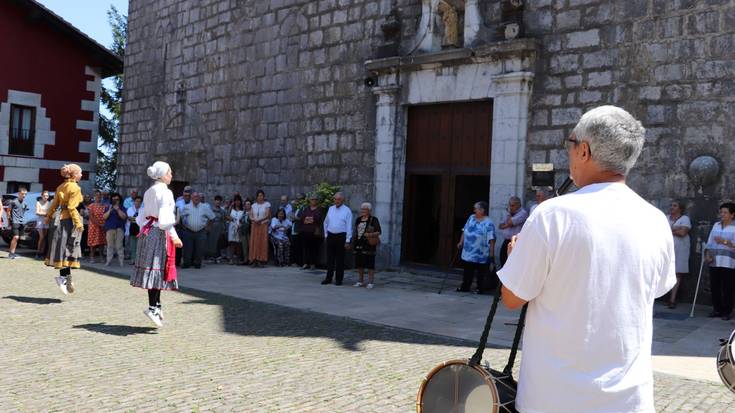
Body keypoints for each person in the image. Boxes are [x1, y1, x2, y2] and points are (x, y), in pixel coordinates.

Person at [497, 106, 676, 413]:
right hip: (628, 400)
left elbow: (512, 298)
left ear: (584, 150)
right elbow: (658, 289)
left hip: (554, 399)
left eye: (570, 144)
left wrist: (515, 257)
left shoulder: (552, 215)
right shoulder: (656, 219)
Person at [131, 161, 183, 327]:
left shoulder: (149, 191)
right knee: (157, 269)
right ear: (162, 174)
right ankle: (153, 307)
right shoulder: (165, 192)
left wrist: (148, 227)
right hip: (159, 233)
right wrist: (174, 236)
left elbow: (141, 216)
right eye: (169, 172)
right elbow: (166, 219)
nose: (171, 175)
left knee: (155, 270)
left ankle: (157, 305)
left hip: (148, 232)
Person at [44, 164, 84, 295]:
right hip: (68, 221)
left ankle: (65, 278)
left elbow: (54, 204)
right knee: (68, 248)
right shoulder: (75, 188)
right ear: (74, 175)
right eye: (80, 173)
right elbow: (72, 208)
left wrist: (48, 217)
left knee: (62, 249)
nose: (81, 175)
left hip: (57, 220)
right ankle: (63, 278)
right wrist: (78, 223)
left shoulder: (60, 186)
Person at [456, 201, 495, 294]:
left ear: (482, 210)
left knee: (480, 272)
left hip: (481, 252)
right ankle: (465, 287)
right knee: (467, 271)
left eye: (475, 208)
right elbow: (464, 230)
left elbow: (492, 238)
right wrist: (461, 241)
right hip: (468, 251)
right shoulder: (471, 218)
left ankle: (479, 288)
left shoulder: (488, 222)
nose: (474, 210)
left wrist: (491, 253)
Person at [705, 202, 735, 320]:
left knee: (728, 287)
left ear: (732, 215)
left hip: (729, 262)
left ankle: (727, 311)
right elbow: (709, 242)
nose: (722, 214)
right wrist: (707, 254)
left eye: (725, 212)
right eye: (721, 212)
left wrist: (725, 242)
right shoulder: (716, 225)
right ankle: (717, 309)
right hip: (715, 260)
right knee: (715, 286)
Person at [322, 192, 352, 286]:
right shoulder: (330, 209)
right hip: (331, 236)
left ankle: (339, 279)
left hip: (341, 236)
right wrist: (326, 235)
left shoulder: (347, 210)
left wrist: (348, 240)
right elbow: (325, 222)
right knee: (330, 258)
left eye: (339, 199)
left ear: (342, 200)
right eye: (335, 199)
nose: (337, 201)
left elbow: (349, 226)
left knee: (340, 259)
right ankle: (328, 278)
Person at [179, 192, 215, 269]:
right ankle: (186, 263)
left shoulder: (204, 207)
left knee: (200, 248)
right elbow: (181, 217)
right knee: (187, 248)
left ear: (200, 198)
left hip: (201, 231)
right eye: (194, 197)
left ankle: (197, 263)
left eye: (198, 197)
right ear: (191, 198)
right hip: (188, 231)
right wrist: (183, 226)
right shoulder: (186, 207)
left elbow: (212, 217)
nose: (196, 198)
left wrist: (208, 227)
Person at [667, 200, 691, 309]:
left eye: (675, 205)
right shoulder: (666, 218)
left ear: (680, 209)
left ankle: (672, 299)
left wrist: (669, 230)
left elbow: (683, 233)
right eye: (671, 205)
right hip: (667, 248)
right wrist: (676, 229)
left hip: (680, 249)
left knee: (677, 273)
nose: (672, 207)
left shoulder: (684, 219)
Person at [352, 202, 381, 289]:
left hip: (369, 245)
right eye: (362, 209)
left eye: (365, 209)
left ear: (369, 210)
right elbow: (356, 231)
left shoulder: (374, 219)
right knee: (359, 263)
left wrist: (370, 235)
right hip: (359, 243)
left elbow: (379, 231)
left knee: (370, 264)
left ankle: (371, 282)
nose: (363, 210)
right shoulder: (358, 219)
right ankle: (360, 281)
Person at [498, 196, 528, 267]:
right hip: (506, 241)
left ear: (518, 205)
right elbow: (500, 226)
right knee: (503, 261)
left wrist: (507, 224)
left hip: (516, 242)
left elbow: (509, 223)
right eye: (509, 205)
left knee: (512, 264)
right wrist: (507, 223)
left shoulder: (523, 213)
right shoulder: (509, 213)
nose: (510, 207)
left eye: (512, 205)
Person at [103, 193, 127, 267]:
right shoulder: (108, 207)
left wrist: (118, 209)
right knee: (110, 246)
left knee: (119, 246)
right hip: (110, 229)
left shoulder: (122, 207)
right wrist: (110, 210)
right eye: (114, 199)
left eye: (117, 199)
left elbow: (124, 217)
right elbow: (104, 217)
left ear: (120, 200)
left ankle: (121, 262)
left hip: (120, 229)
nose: (115, 201)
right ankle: (108, 261)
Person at [300, 193, 323, 270]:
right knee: (305, 248)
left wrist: (308, 219)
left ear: (317, 201)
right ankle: (305, 263)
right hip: (305, 231)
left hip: (313, 232)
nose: (314, 201)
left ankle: (313, 264)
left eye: (315, 199)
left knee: (313, 248)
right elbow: (302, 218)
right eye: (312, 199)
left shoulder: (319, 209)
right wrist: (309, 219)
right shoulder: (306, 209)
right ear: (310, 200)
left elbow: (317, 218)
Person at [248, 190, 271, 267]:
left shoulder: (267, 204)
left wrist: (259, 220)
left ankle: (261, 260)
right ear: (256, 197)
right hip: (255, 225)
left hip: (263, 225)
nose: (260, 197)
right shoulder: (253, 205)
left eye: (261, 195)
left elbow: (267, 215)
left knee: (262, 242)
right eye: (259, 195)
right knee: (254, 242)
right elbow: (250, 215)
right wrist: (253, 219)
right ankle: (254, 259)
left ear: (264, 196)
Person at [7, 187, 29, 259]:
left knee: (18, 238)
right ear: (19, 194)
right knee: (15, 237)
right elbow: (8, 210)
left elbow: (24, 212)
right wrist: (9, 220)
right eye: (22, 194)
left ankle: (12, 253)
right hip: (15, 222)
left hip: (22, 223)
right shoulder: (13, 202)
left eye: (25, 194)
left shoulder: (25, 203)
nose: (24, 195)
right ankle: (10, 254)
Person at [87, 191, 107, 263]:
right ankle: (92, 257)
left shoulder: (104, 206)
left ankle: (101, 256)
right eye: (97, 195)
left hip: (102, 226)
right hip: (93, 226)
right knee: (92, 242)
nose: (98, 196)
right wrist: (98, 224)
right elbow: (91, 217)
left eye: (99, 195)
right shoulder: (91, 206)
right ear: (94, 196)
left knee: (101, 242)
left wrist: (103, 225)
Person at [207, 195, 227, 263]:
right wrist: (208, 228)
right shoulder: (210, 209)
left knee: (219, 242)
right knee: (212, 243)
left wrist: (224, 229)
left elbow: (224, 220)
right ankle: (212, 257)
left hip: (219, 228)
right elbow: (208, 219)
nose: (218, 202)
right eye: (216, 200)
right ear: (214, 201)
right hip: (212, 228)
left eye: (219, 201)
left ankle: (218, 257)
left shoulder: (222, 211)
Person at [226, 195, 245, 264]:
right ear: (234, 201)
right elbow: (227, 215)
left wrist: (241, 223)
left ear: (240, 201)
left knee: (239, 243)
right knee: (232, 243)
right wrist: (230, 218)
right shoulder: (231, 208)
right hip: (232, 226)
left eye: (238, 200)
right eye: (236, 200)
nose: (237, 202)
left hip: (239, 227)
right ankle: (231, 259)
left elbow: (244, 218)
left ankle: (238, 259)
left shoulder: (243, 209)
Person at [126, 196, 143, 265]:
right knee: (133, 245)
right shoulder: (130, 209)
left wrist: (135, 219)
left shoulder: (143, 209)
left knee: (139, 246)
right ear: (134, 202)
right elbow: (129, 218)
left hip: (140, 229)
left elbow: (142, 219)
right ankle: (133, 259)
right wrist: (137, 219)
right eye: (136, 201)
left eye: (139, 201)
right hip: (132, 228)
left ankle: (138, 260)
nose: (138, 203)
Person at [290, 193, 306, 267]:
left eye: (300, 199)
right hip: (294, 228)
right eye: (297, 198)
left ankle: (299, 262)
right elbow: (292, 217)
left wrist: (295, 218)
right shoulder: (297, 207)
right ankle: (294, 262)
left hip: (299, 229)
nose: (298, 200)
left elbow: (303, 218)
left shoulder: (304, 207)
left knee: (298, 246)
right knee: (294, 246)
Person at [35, 190, 51, 259]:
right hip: (40, 221)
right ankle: (38, 252)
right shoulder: (38, 203)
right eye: (44, 196)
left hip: (46, 221)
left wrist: (43, 213)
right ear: (41, 196)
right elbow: (37, 212)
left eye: (47, 196)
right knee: (41, 237)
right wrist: (46, 214)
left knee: (44, 238)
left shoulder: (49, 203)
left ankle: (42, 253)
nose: (46, 197)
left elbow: (50, 213)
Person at [239, 199, 252, 265]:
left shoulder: (252, 212)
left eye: (248, 204)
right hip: (243, 231)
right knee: (244, 246)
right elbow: (240, 220)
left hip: (250, 231)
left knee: (250, 245)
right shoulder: (243, 212)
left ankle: (251, 259)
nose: (247, 205)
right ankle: (245, 259)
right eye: (246, 204)